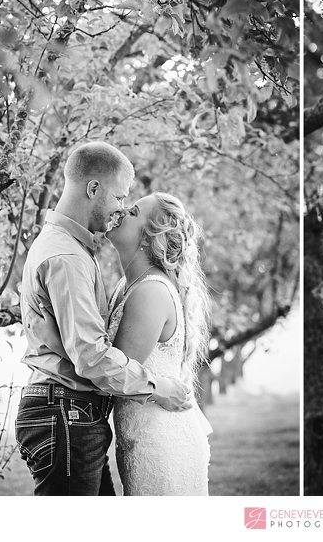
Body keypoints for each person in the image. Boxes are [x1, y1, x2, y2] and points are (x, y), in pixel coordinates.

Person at [15, 141, 192, 496]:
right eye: (120, 198)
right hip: (64, 411)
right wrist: (157, 388)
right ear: (93, 189)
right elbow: (92, 356)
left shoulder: (73, 248)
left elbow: (87, 348)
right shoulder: (67, 256)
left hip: (70, 411)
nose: (121, 209)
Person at [104, 192, 212, 495]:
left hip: (160, 442)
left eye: (134, 211)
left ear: (149, 238)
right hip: (142, 436)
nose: (123, 211)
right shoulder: (127, 286)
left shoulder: (149, 293)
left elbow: (111, 374)